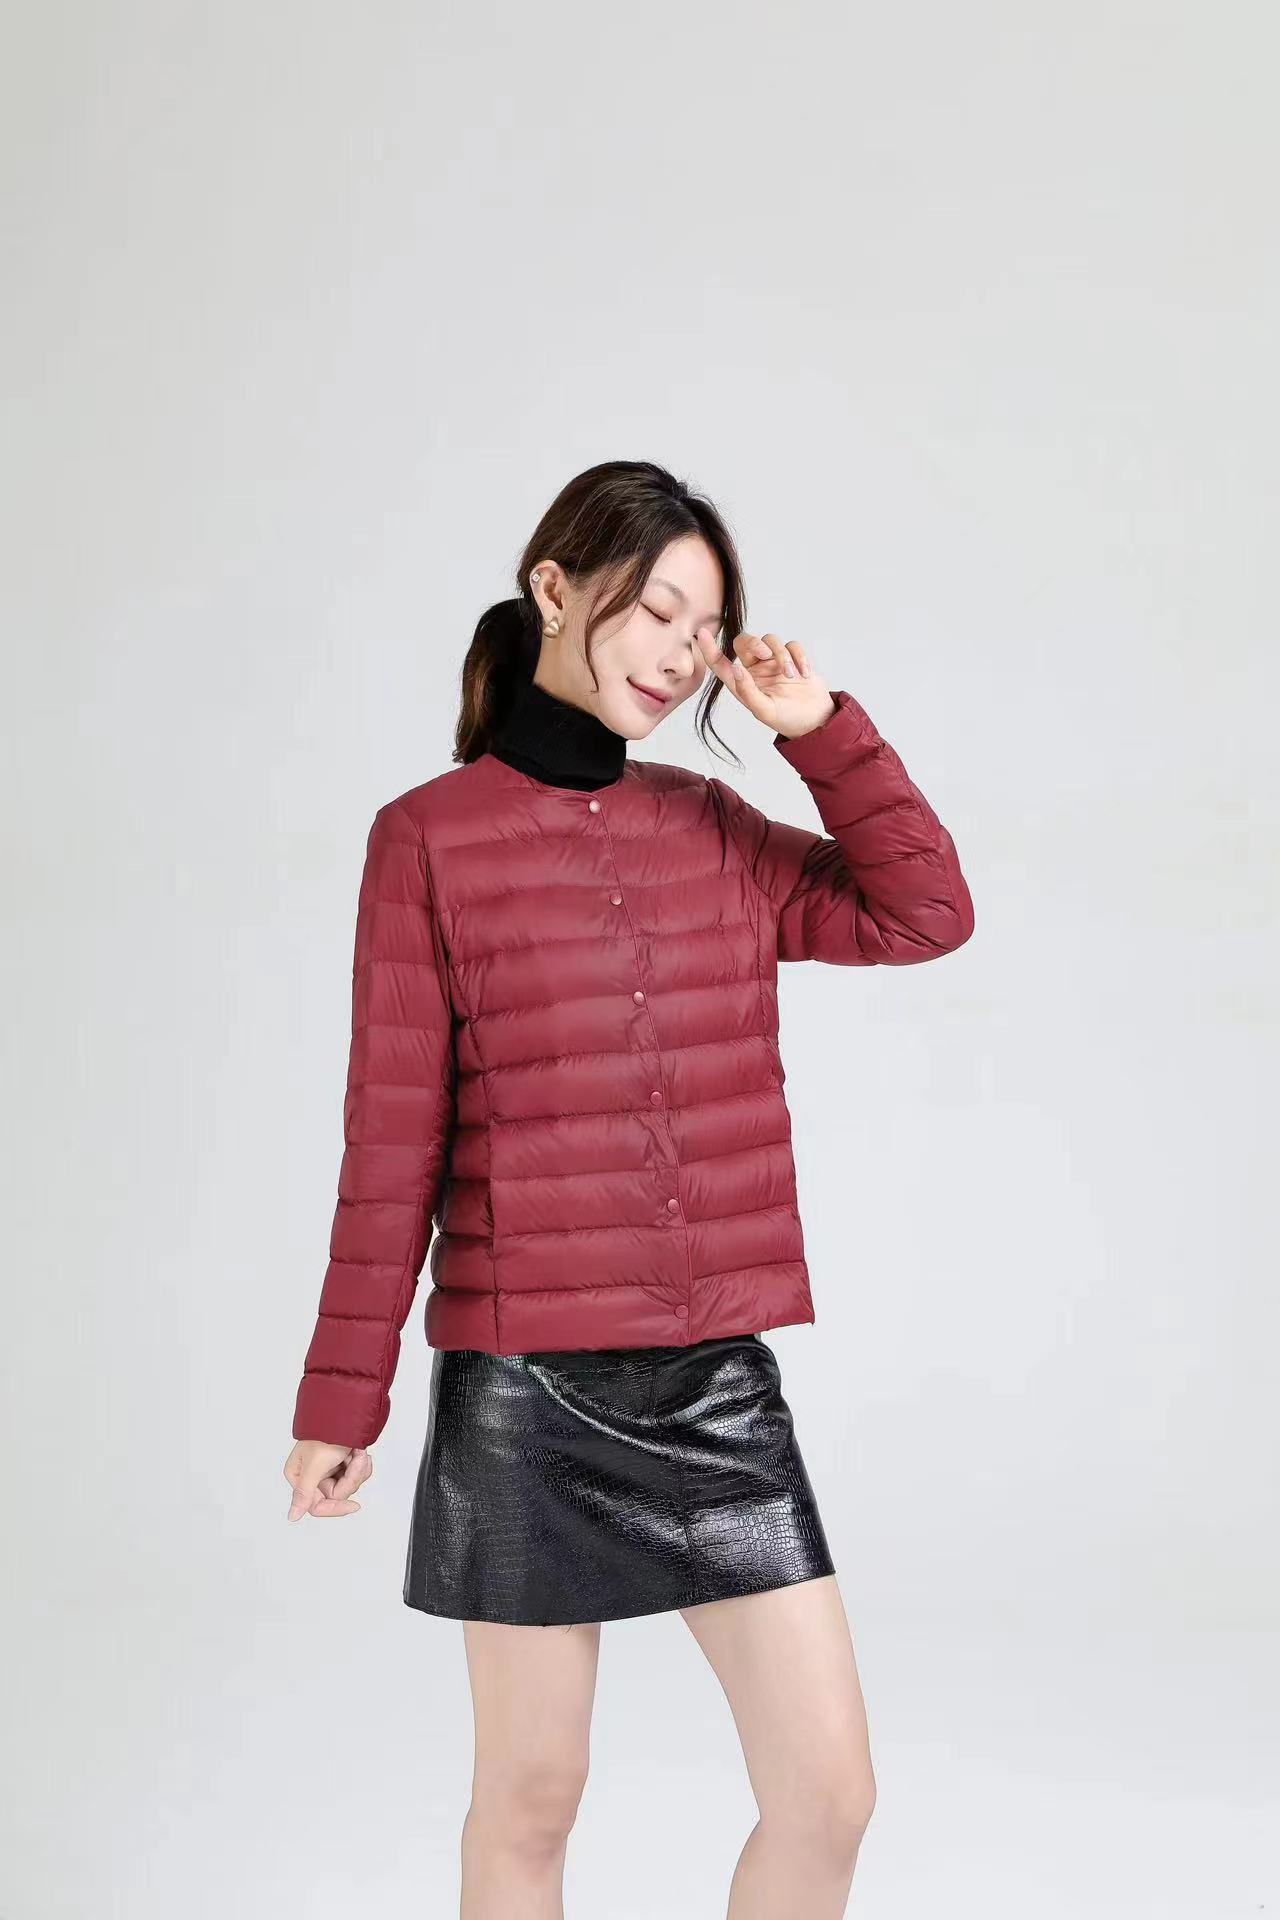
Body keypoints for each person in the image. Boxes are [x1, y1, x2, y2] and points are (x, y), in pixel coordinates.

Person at [283, 458, 975, 1918]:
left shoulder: (711, 827)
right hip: (524, 1392)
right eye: (657, 610)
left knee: (830, 1794)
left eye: (705, 628)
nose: (680, 652)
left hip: (715, 1383)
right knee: (531, 1798)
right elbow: (390, 1138)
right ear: (553, 588)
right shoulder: (427, 838)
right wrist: (342, 1401)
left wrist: (820, 734)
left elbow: (924, 913)